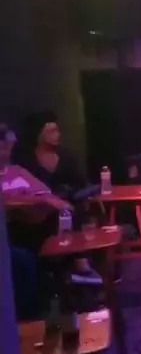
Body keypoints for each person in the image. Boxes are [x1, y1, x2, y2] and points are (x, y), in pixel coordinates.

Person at [1, 122, 101, 285]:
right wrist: (36, 199)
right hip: (14, 228)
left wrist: (49, 200)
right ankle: (77, 270)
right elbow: (7, 202)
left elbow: (44, 191)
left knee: (69, 212)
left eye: (8, 145)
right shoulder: (21, 165)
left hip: (40, 220)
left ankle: (78, 272)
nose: (7, 149)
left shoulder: (17, 170)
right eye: (5, 145)